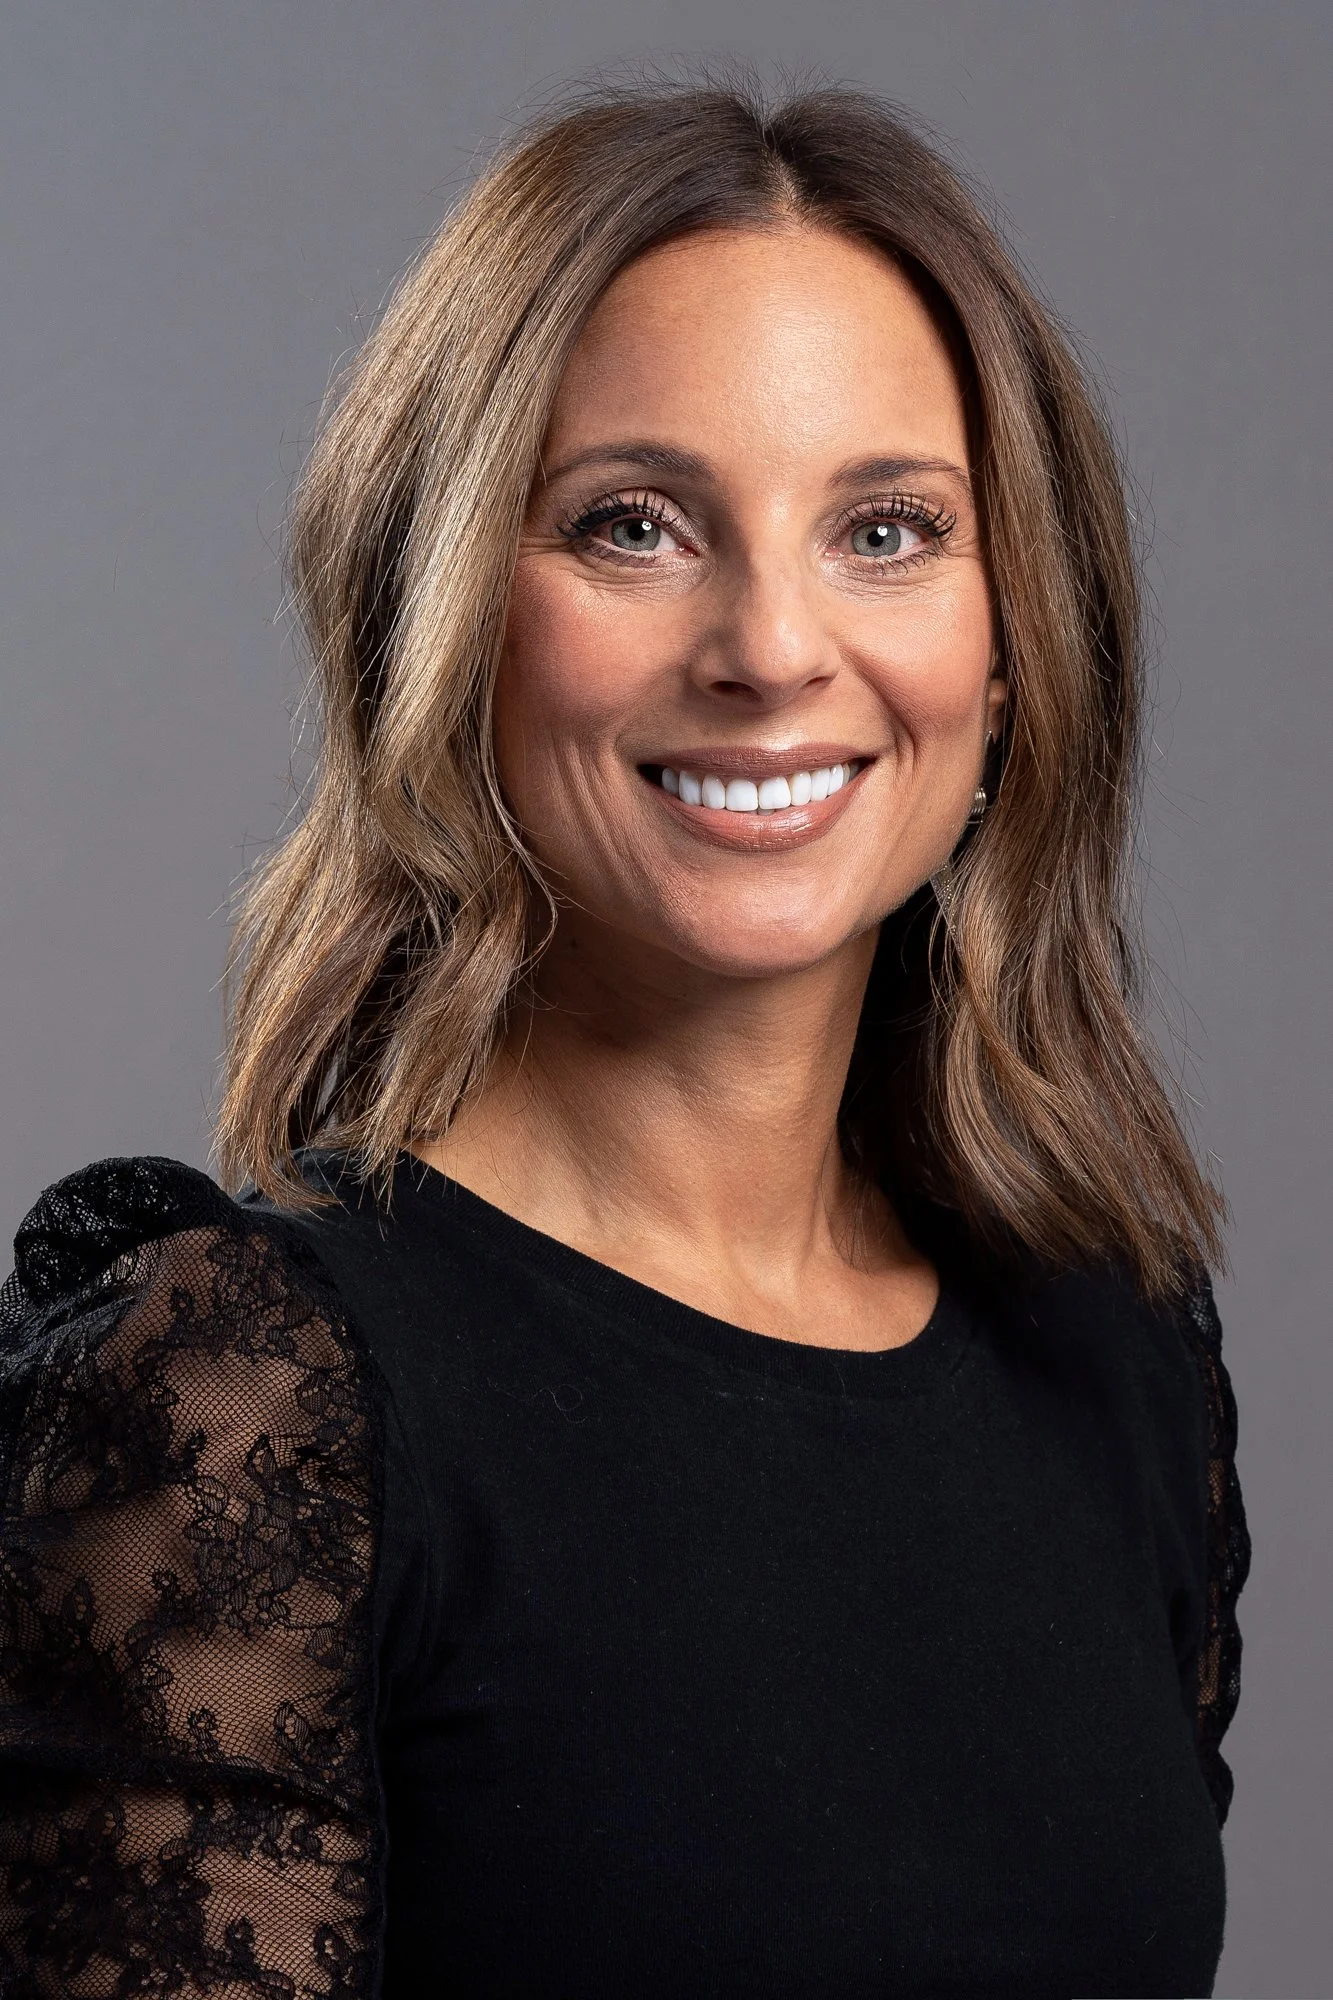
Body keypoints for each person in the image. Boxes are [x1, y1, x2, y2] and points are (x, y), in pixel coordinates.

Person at [0, 78, 1250, 1999]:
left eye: (891, 528)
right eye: (637, 525)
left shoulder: (1118, 1356)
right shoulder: (252, 1413)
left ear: (1011, 657)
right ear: (451, 619)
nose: (769, 646)